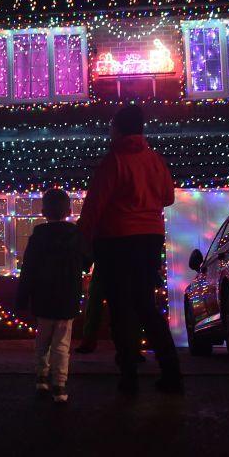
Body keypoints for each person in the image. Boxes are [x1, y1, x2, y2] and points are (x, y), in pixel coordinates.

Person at [76, 104, 182, 395]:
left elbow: (94, 205)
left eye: (111, 126)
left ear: (118, 128)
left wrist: (82, 240)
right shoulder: (155, 160)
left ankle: (129, 376)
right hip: (149, 239)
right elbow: (169, 197)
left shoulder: (114, 161)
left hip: (116, 240)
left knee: (121, 308)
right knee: (146, 305)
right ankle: (171, 371)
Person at [16, 189, 91, 404]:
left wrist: (22, 298)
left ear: (43, 211)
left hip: (43, 296)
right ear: (68, 211)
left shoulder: (37, 237)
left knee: (43, 339)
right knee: (62, 343)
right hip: (67, 296)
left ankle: (42, 376)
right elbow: (87, 262)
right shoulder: (77, 236)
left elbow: (28, 269)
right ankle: (59, 384)